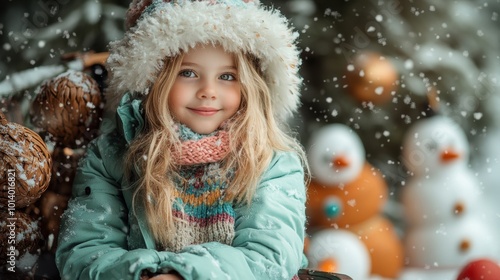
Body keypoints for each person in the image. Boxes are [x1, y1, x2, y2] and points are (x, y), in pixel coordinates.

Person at [55, 0, 308, 279]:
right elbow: (84, 250)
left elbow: (270, 257)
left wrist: (183, 274)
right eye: (188, 73)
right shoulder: (112, 155)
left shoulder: (270, 162)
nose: (208, 91)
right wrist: (140, 274)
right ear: (154, 78)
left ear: (250, 86)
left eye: (227, 76)